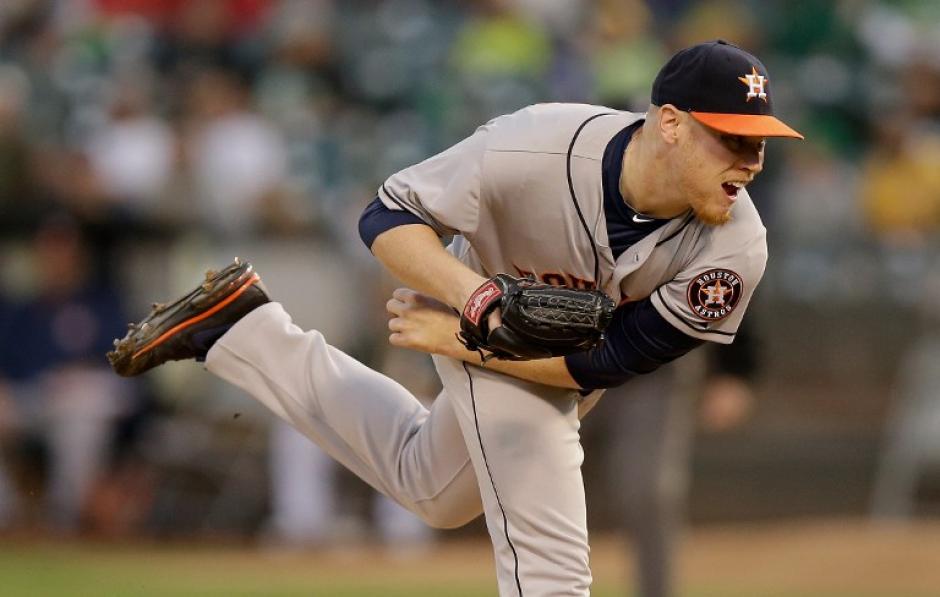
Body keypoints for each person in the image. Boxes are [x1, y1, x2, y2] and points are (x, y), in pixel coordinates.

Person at [109, 40, 802, 595]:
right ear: (671, 124)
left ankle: (239, 328)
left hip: (538, 349)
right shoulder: (533, 147)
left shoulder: (737, 246)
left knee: (432, 488)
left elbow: (611, 360)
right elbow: (387, 216)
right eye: (732, 139)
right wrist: (475, 305)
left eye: (759, 142)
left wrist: (475, 345)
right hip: (471, 289)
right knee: (550, 545)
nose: (751, 160)